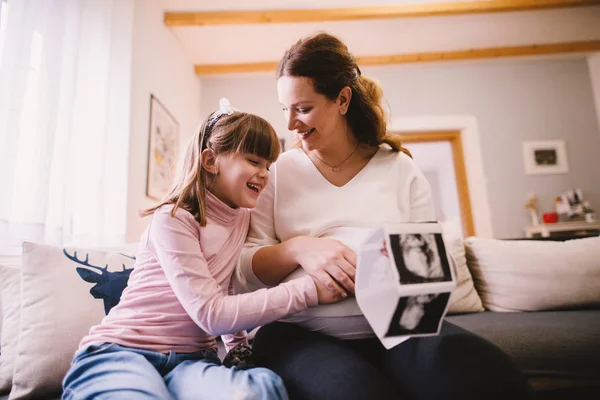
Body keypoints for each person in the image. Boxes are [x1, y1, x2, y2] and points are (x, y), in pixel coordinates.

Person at [234, 33, 533, 399]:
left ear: (342, 99)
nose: (291, 124)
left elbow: (429, 271)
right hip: (300, 333)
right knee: (357, 391)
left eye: (303, 108)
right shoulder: (276, 172)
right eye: (285, 109)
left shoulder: (399, 170)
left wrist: (400, 270)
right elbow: (245, 269)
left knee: (482, 371)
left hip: (399, 328)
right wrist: (300, 249)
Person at [61, 99, 345, 400]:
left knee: (258, 390)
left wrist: (237, 349)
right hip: (124, 351)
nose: (265, 174)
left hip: (193, 361)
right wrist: (309, 290)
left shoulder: (243, 218)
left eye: (268, 165)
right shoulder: (174, 219)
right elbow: (211, 313)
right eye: (253, 161)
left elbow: (226, 285)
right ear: (211, 161)